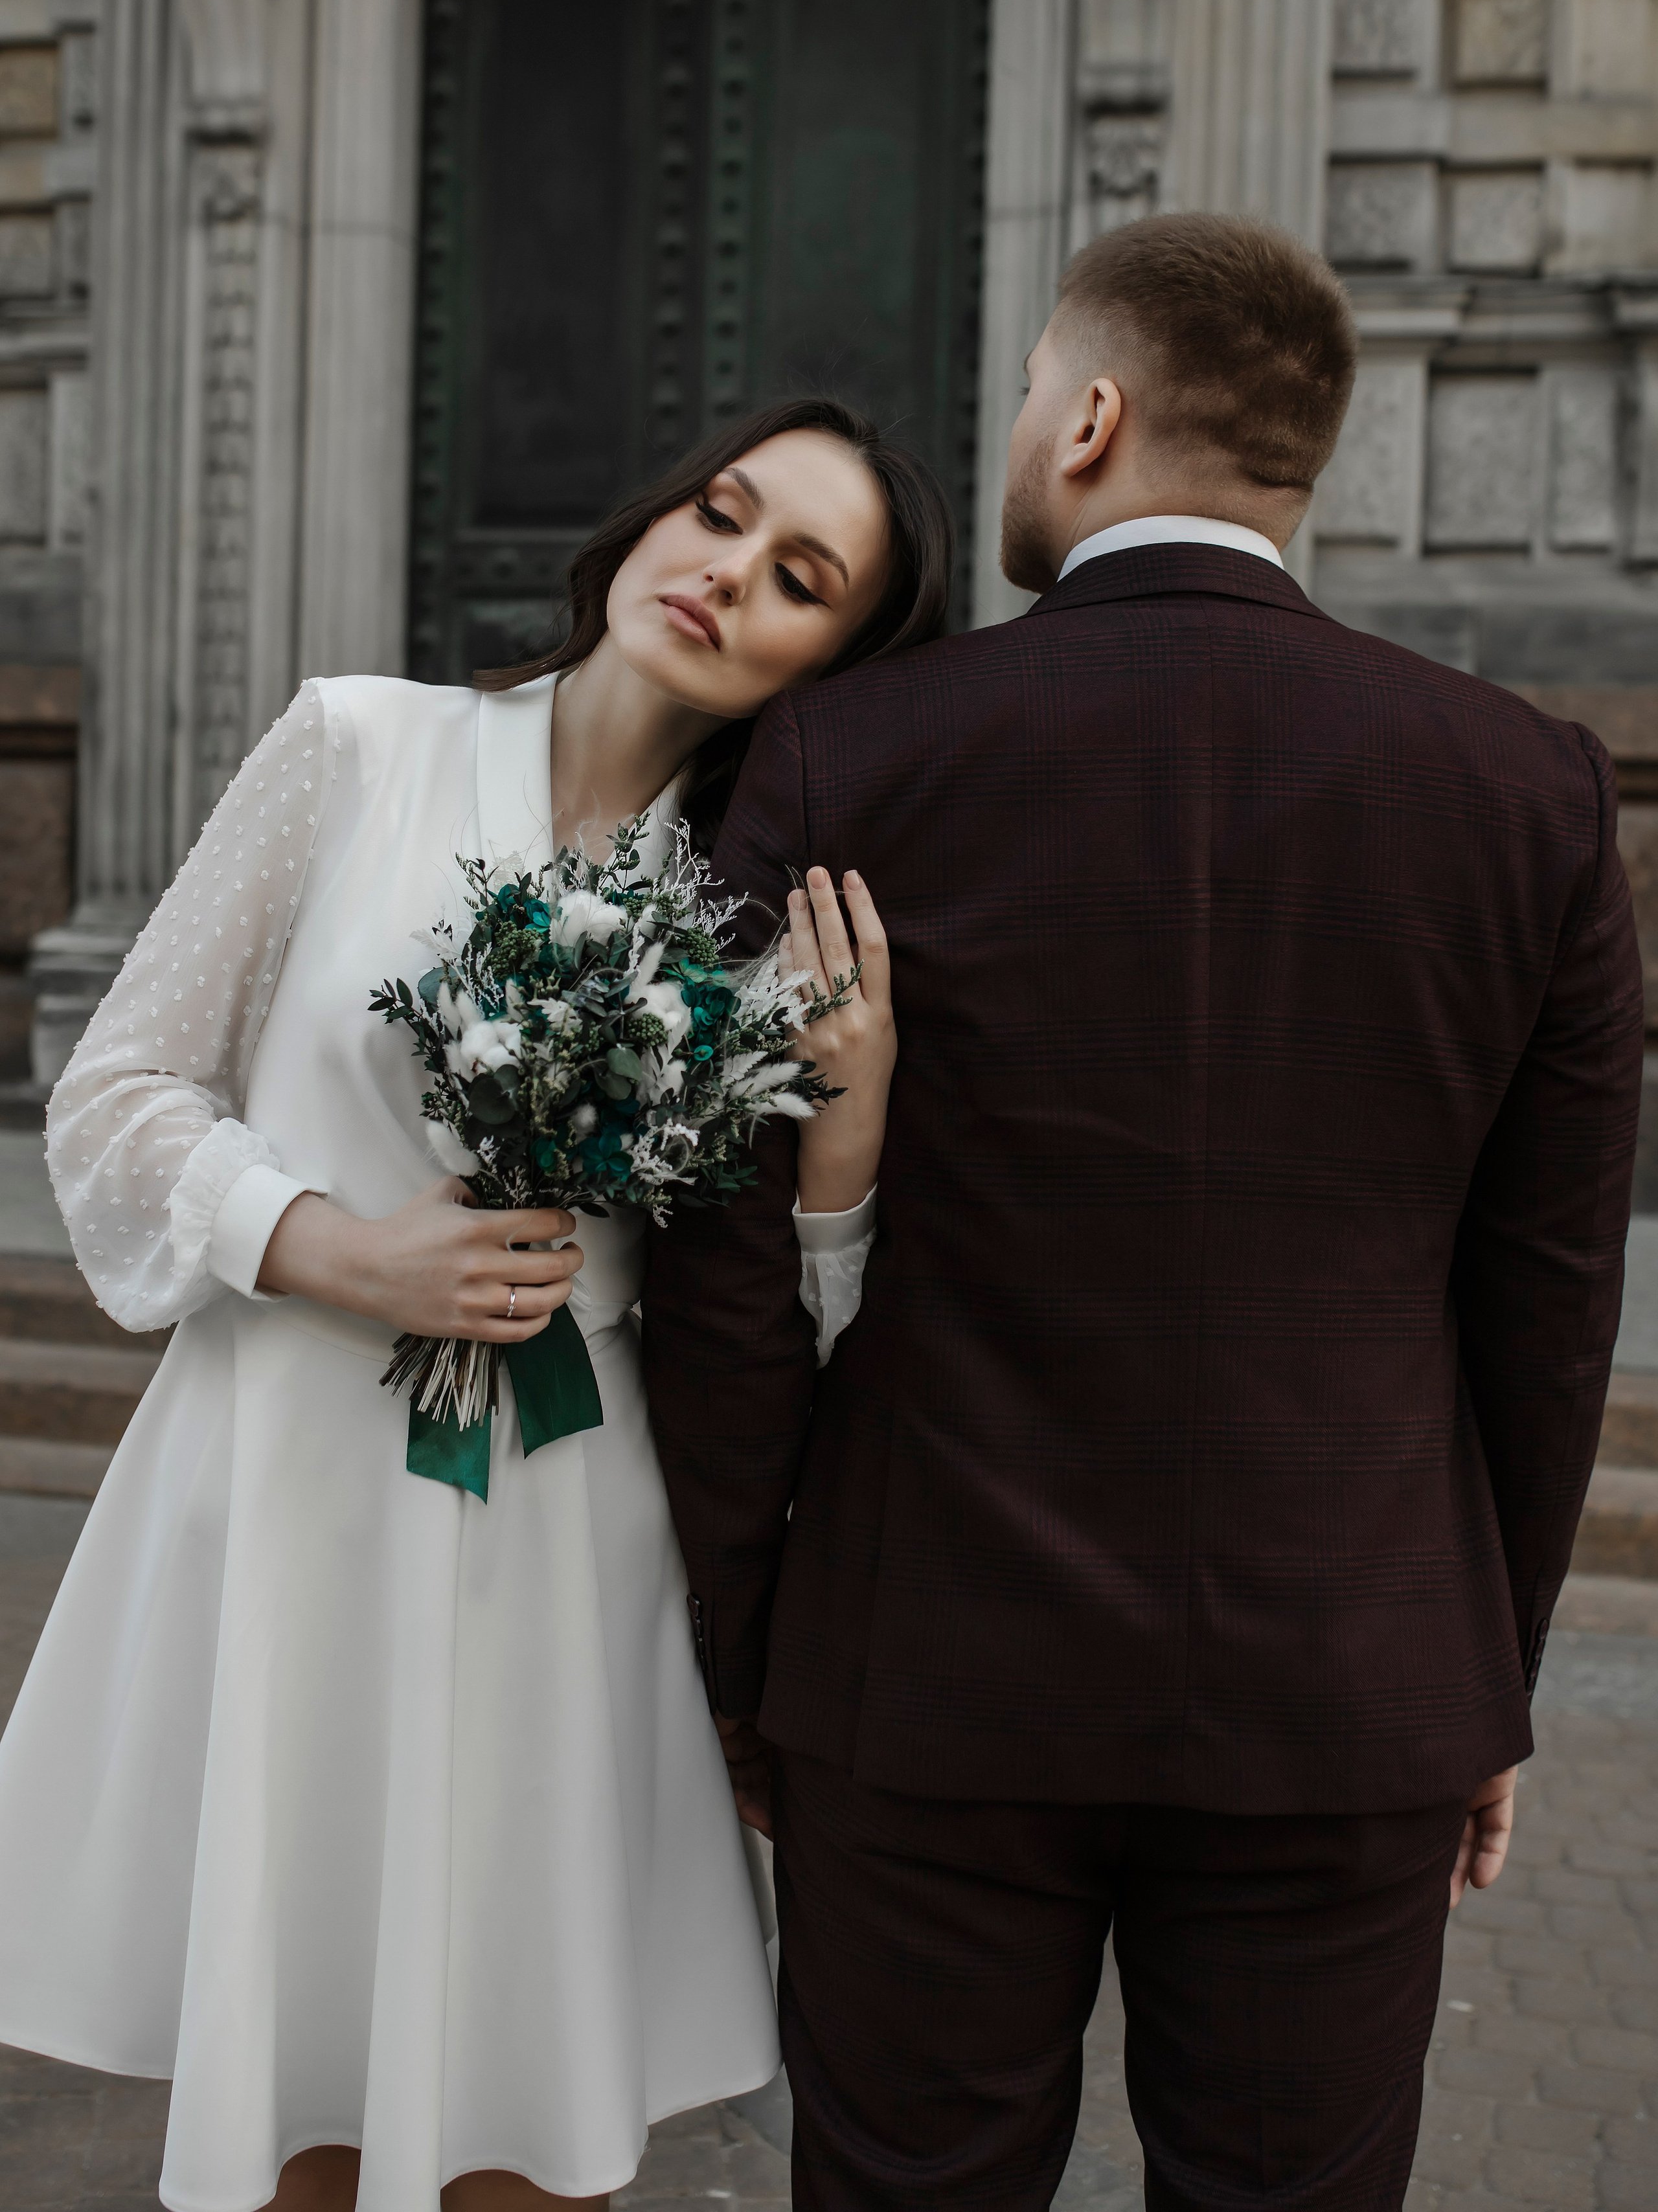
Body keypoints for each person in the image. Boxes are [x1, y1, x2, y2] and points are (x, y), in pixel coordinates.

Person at [642, 214, 1646, 2211]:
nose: (1017, 427)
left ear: (1094, 415)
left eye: (1027, 391)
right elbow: (1548, 1313)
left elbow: (724, 1273)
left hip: (917, 1680)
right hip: (1349, 1681)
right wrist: (1481, 1674)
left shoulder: (853, 755)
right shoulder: (1528, 790)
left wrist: (749, 1660)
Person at [0, 399, 950, 2212]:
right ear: (656, 511)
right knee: (297, 2100)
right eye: (723, 512)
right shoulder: (360, 742)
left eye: (798, 578)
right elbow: (117, 1096)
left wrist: (847, 1145)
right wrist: (332, 1245)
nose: (728, 572)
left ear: (832, 660)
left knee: (530, 2112)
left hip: (560, 1535)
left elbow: (795, 1333)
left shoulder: (755, 920)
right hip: (291, 1486)